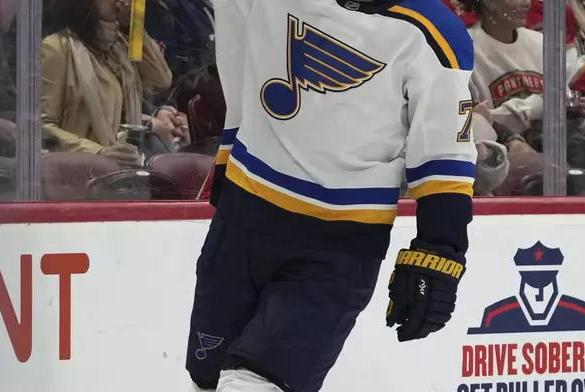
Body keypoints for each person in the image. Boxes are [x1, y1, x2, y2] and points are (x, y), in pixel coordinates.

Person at [187, 1, 477, 391]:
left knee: (252, 384)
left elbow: (445, 155)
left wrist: (441, 248)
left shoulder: (434, 33)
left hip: (336, 249)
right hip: (241, 220)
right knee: (205, 380)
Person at [41, 0, 175, 166]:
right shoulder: (56, 49)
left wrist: (134, 25)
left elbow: (161, 80)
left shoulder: (121, 44)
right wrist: (97, 153)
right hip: (82, 172)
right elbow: (43, 127)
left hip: (125, 166)